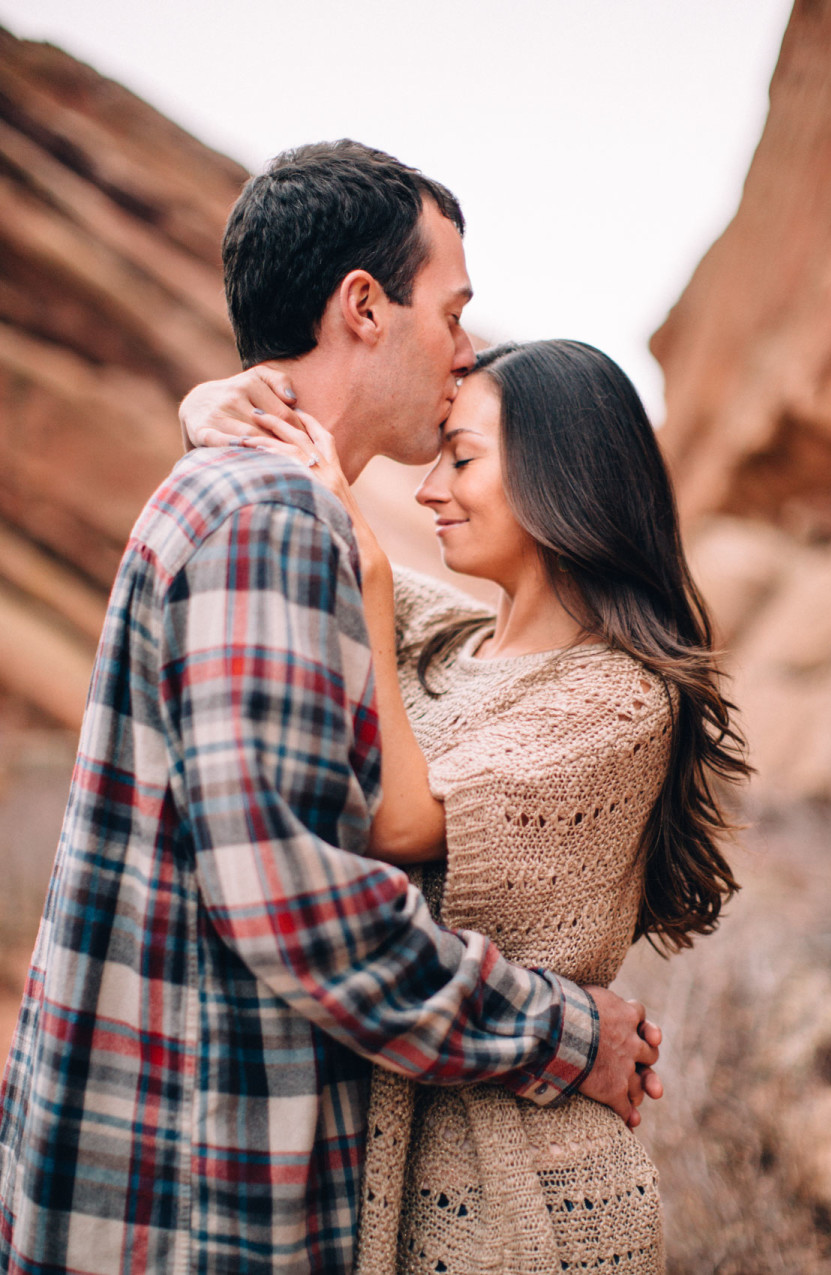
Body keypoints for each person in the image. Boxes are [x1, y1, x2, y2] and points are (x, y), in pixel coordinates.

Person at [0, 142, 661, 1275]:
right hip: (202, 1187)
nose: (462, 351)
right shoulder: (273, 518)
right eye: (450, 312)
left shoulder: (248, 498)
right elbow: (304, 911)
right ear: (364, 305)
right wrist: (566, 1033)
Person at [191, 337, 749, 1273]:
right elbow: (312, 554)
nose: (428, 488)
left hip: (533, 1194)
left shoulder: (618, 699)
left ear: (559, 470)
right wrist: (212, 410)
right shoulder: (454, 644)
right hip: (400, 1157)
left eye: (462, 457)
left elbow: (401, 820)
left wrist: (369, 572)